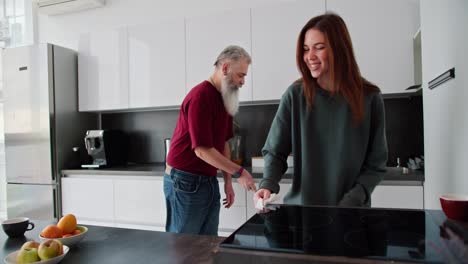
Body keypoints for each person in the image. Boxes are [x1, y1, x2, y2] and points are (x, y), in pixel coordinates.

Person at [254, 13, 388, 208]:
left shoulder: (370, 98)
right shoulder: (295, 95)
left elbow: (376, 164)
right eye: (306, 49)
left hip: (351, 213)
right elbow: (275, 151)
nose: (310, 57)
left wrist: (353, 199)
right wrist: (267, 184)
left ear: (340, 49)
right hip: (304, 213)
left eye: (319, 48)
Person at [164, 45, 257, 236]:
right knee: (184, 247)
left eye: (244, 76)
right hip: (184, 181)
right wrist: (240, 172)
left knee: (207, 245)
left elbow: (223, 144)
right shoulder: (200, 96)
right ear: (224, 69)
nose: (243, 81)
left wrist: (228, 181)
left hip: (207, 180)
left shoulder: (226, 98)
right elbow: (202, 150)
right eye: (240, 75)